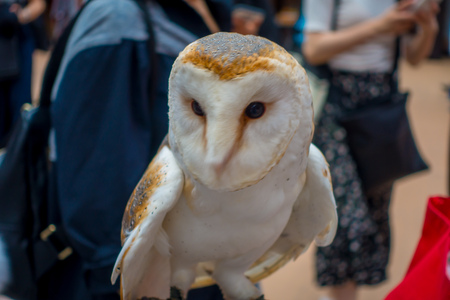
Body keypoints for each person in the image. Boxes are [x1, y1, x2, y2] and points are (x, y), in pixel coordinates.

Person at [300, 0, 439, 300]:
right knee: (344, 215)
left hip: (381, 106)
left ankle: (343, 294)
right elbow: (313, 49)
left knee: (372, 208)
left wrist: (428, 26)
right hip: (336, 106)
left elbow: (414, 58)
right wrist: (382, 26)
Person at [0, 0, 46, 148]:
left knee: (20, 107)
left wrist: (22, 16)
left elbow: (38, 4)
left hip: (19, 40)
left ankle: (15, 155)